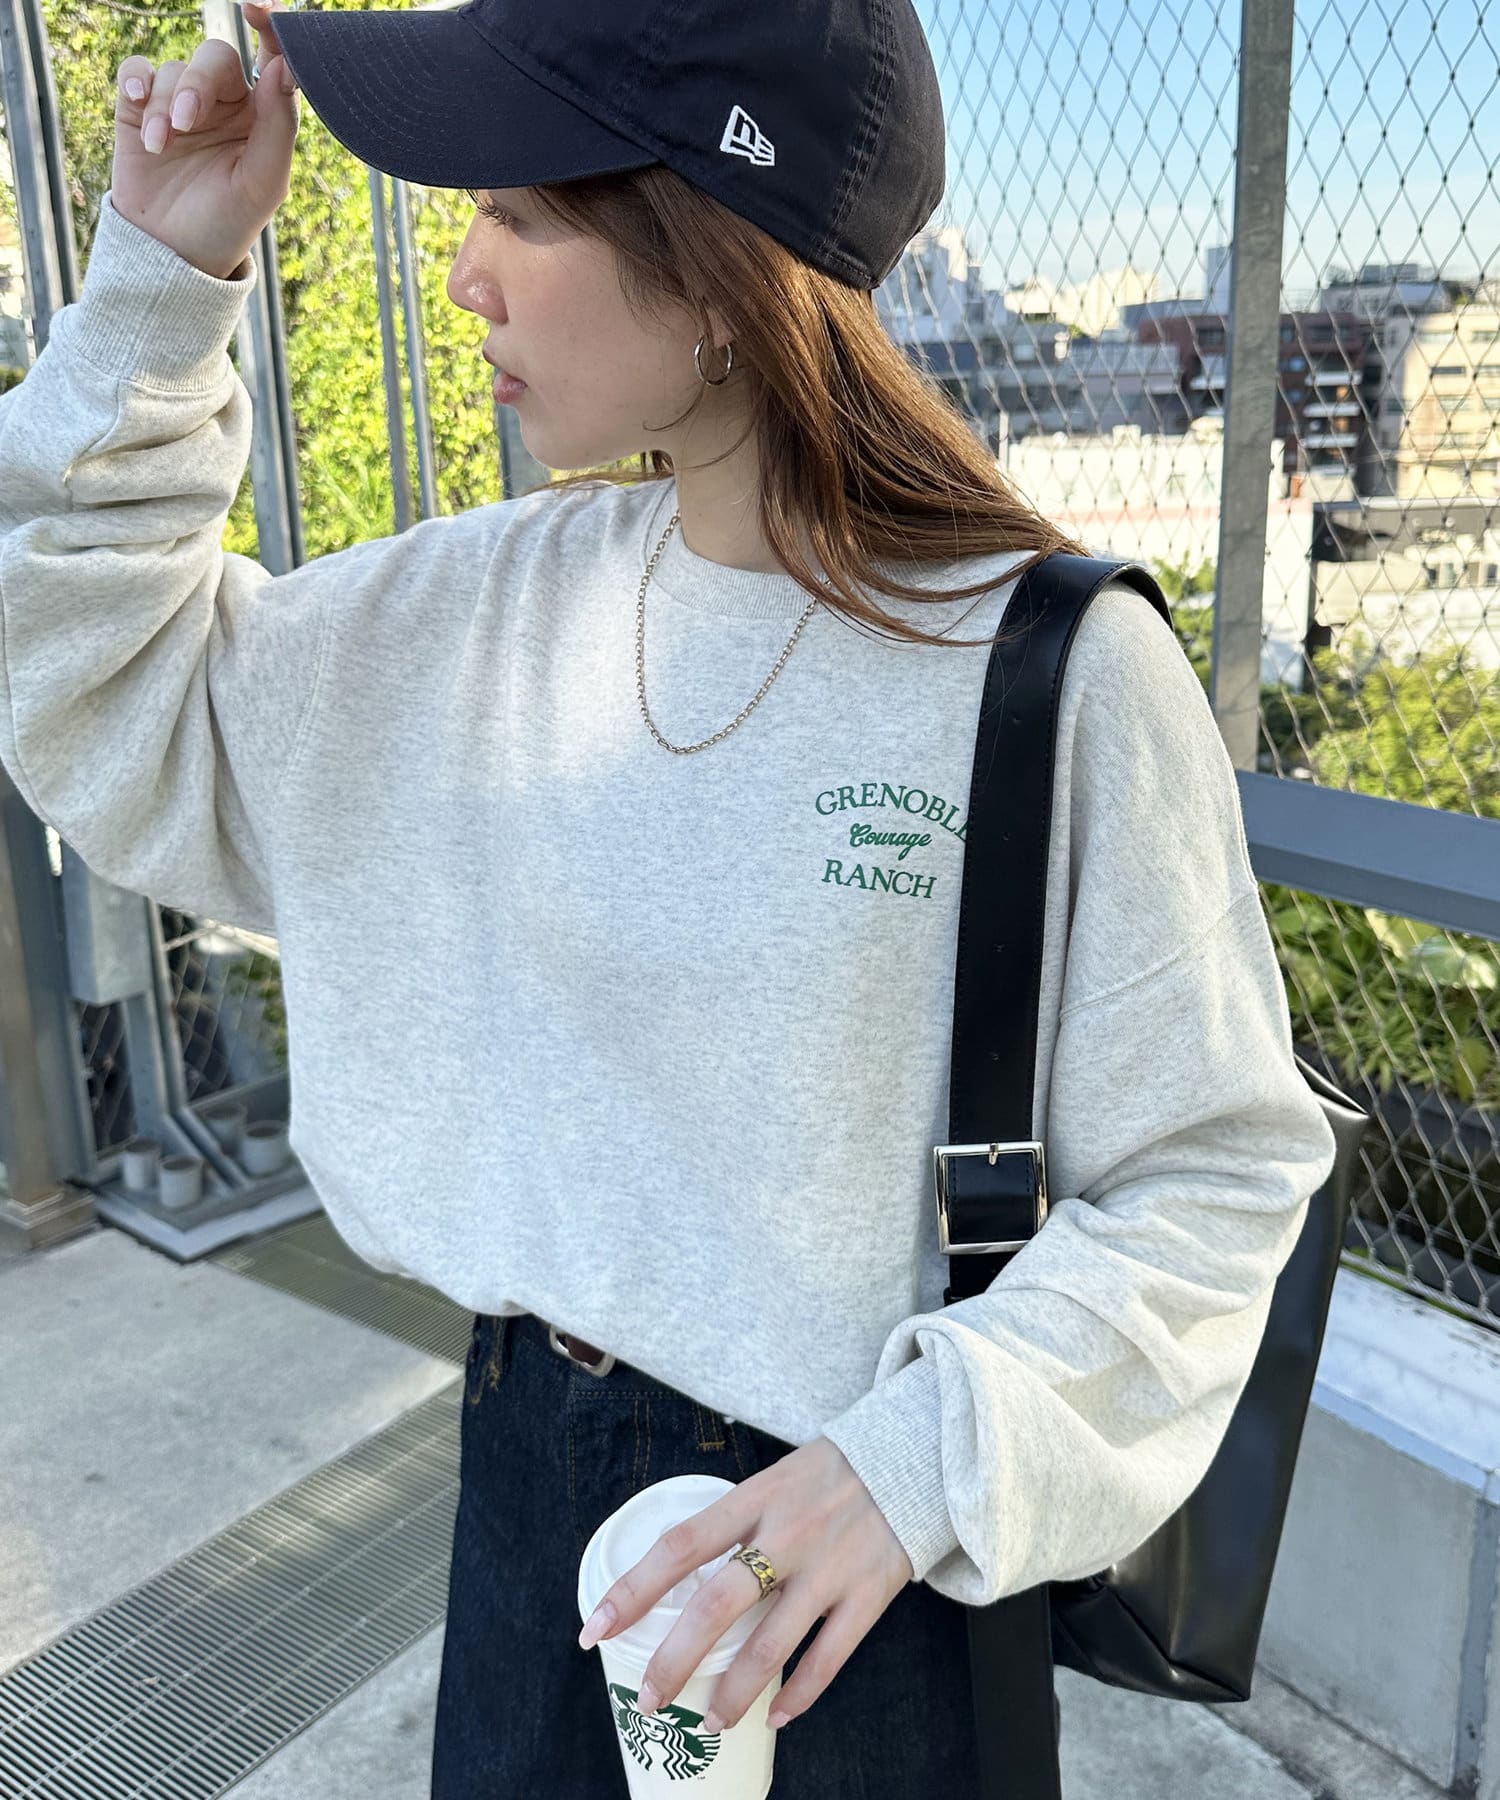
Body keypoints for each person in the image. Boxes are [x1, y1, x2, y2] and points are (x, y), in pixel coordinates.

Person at [0, 0, 1338, 1792]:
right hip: (524, 1509)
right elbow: (105, 694)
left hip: (857, 1580)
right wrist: (165, 282)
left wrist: (907, 1475)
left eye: (520, 211)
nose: (463, 275)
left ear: (714, 272)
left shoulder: (1052, 672)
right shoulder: (478, 616)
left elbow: (1217, 1175)